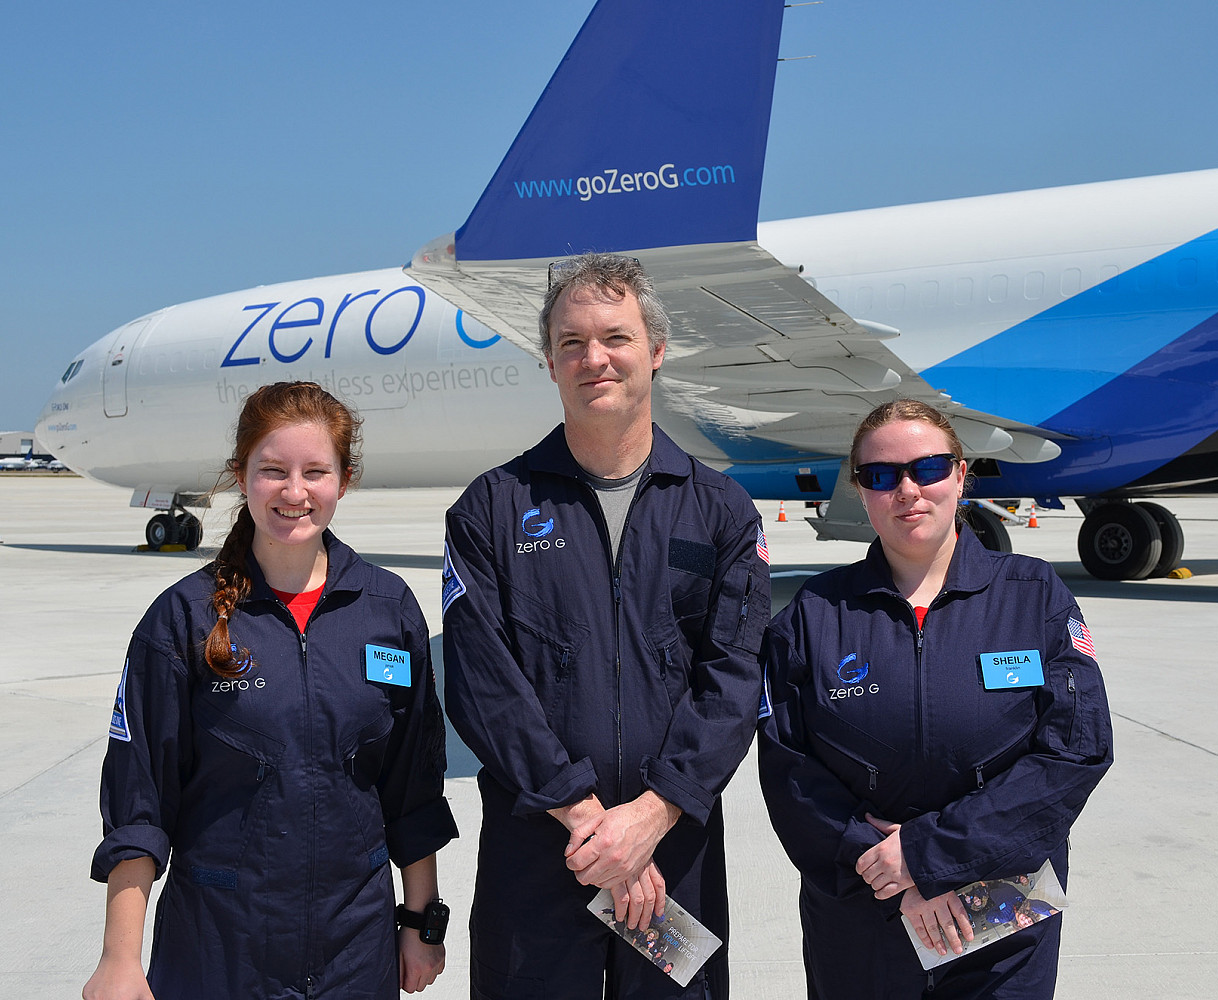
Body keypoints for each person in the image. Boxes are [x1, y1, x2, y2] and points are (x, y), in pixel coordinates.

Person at [441, 252, 770, 999]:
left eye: (616, 338)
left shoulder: (719, 511)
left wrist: (651, 817)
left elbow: (734, 678)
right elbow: (484, 684)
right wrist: (591, 824)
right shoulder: (490, 510)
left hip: (670, 856)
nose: (595, 359)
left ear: (655, 352)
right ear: (550, 364)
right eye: (571, 343)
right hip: (542, 851)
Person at [83, 381, 458, 999]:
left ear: (344, 480)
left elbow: (412, 785)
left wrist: (422, 922)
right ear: (241, 475)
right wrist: (119, 958)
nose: (294, 492)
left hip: (354, 949)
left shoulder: (388, 611)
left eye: (316, 471)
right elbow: (139, 800)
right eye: (273, 471)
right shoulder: (183, 619)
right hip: (221, 948)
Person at [757, 399, 1113, 999]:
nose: (907, 490)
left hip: (1001, 907)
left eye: (928, 468)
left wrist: (929, 857)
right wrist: (886, 865)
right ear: (859, 489)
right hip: (863, 906)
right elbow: (788, 770)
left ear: (961, 475)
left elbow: (1075, 752)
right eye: (881, 475)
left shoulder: (1033, 596)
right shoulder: (812, 616)